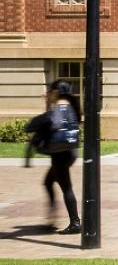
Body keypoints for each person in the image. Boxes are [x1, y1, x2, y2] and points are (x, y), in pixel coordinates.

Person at [24, 80, 82, 234]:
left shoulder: (56, 111)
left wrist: (48, 106)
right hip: (70, 152)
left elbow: (29, 127)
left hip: (59, 154)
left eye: (48, 92)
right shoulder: (72, 108)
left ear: (55, 93)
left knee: (66, 188)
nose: (46, 95)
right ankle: (53, 218)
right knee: (48, 181)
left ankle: (75, 222)